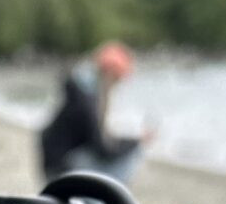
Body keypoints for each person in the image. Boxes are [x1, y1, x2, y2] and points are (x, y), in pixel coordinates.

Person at [38, 41, 148, 184]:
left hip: (57, 164)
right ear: (108, 73)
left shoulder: (81, 89)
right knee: (132, 153)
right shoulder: (87, 100)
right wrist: (137, 141)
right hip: (61, 170)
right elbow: (103, 150)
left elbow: (99, 140)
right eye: (117, 79)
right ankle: (104, 198)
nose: (117, 86)